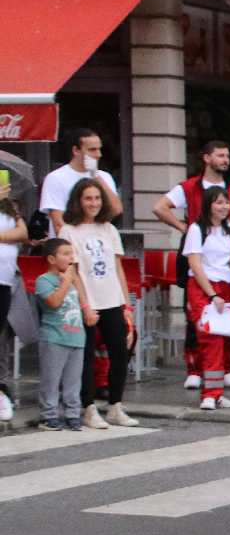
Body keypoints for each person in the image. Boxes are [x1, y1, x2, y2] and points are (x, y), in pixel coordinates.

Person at [152, 140, 230, 389]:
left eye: (227, 155)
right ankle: (194, 368)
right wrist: (184, 228)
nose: (225, 160)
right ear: (206, 158)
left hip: (227, 262)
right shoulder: (190, 187)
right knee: (195, 315)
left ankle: (226, 367)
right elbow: (160, 207)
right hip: (198, 259)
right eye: (220, 155)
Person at [59, 179, 137, 429]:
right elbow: (73, 271)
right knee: (86, 358)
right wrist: (85, 305)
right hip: (88, 301)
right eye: (88, 198)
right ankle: (88, 407)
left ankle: (115, 405)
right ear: (78, 201)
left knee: (120, 353)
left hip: (112, 299)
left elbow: (118, 269)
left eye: (97, 198)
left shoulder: (109, 230)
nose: (93, 203)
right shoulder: (69, 231)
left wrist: (127, 306)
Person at [182, 187, 230, 410]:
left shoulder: (228, 230)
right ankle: (210, 394)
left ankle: (216, 392)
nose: (223, 207)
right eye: (218, 203)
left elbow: (227, 260)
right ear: (207, 205)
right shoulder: (196, 229)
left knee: (222, 341)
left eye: (226, 203)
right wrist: (212, 294)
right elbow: (195, 263)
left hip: (226, 286)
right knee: (210, 339)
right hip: (204, 288)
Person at [33, 239, 90, 431]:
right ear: (51, 259)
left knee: (74, 380)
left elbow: (80, 297)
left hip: (76, 336)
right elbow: (54, 302)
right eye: (65, 254)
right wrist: (66, 281)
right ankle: (48, 415)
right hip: (54, 337)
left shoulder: (72, 279)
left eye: (71, 253)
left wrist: (87, 310)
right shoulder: (43, 281)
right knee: (51, 378)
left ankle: (72, 413)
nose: (70, 258)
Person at [40, 128, 123, 235]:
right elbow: (58, 222)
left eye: (99, 149)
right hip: (69, 245)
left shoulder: (104, 177)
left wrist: (96, 176)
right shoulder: (55, 178)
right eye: (92, 150)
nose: (98, 154)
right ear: (76, 150)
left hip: (97, 242)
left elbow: (116, 210)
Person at [0, 181, 25, 423]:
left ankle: (1, 388)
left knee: (2, 336)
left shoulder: (10, 210)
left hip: (5, 280)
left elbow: (22, 233)